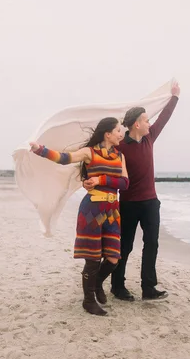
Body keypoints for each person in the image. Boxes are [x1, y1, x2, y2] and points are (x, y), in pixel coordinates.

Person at [84, 81, 180, 301]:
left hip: (150, 203)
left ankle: (148, 288)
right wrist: (88, 180)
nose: (149, 123)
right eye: (146, 120)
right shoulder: (119, 146)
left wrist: (174, 97)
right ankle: (118, 287)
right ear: (136, 124)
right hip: (127, 204)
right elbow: (96, 157)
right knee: (124, 247)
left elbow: (164, 117)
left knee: (152, 244)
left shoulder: (149, 137)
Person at [29, 117, 128, 316]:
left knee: (113, 258)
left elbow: (125, 183)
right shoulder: (89, 153)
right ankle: (88, 301)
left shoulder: (120, 156)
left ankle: (97, 282)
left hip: (112, 212)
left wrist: (100, 178)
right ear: (107, 134)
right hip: (92, 210)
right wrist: (41, 150)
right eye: (118, 130)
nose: (121, 133)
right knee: (92, 259)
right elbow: (65, 158)